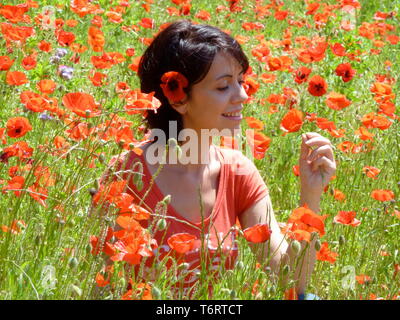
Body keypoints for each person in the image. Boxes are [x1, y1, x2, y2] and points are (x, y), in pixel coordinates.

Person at [99, 20, 336, 299]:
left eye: (241, 81)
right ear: (177, 97)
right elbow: (103, 284)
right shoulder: (128, 175)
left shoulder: (237, 172)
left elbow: (290, 282)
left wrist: (310, 195)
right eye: (224, 86)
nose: (243, 95)